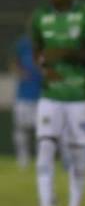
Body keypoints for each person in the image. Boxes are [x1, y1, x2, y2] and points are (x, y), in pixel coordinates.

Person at [31, 0, 85, 206]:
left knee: (78, 155)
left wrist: (64, 54)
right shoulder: (40, 16)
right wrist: (45, 67)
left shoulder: (84, 14)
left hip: (79, 96)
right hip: (50, 95)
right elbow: (38, 49)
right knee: (45, 148)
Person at [10, 34, 42, 169]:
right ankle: (23, 157)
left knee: (42, 131)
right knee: (21, 127)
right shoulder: (23, 43)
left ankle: (41, 158)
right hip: (23, 96)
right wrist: (20, 72)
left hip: (41, 96)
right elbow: (13, 63)